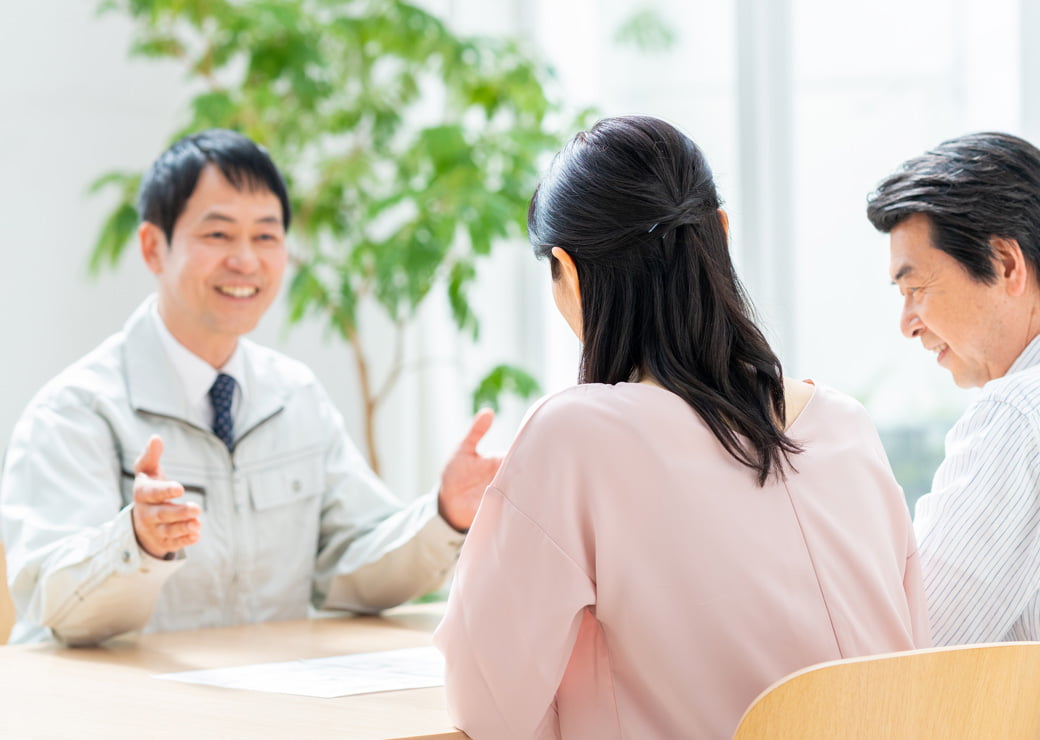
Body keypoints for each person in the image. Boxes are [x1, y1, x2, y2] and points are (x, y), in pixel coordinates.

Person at [434, 115, 929, 740]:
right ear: (721, 232)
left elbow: (485, 708)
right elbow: (913, 658)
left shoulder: (575, 436)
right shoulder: (847, 427)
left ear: (568, 269)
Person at [0, 129, 498, 645]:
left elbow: (350, 565)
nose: (246, 260)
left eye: (266, 235)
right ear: (153, 247)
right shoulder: (75, 410)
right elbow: (50, 601)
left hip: (258, 708)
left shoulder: (294, 396)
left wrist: (444, 516)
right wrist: (138, 542)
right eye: (217, 235)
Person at [866, 131, 1040, 646]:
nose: (907, 322)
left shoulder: (1017, 415)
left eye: (915, 287)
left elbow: (918, 651)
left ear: (1006, 264)